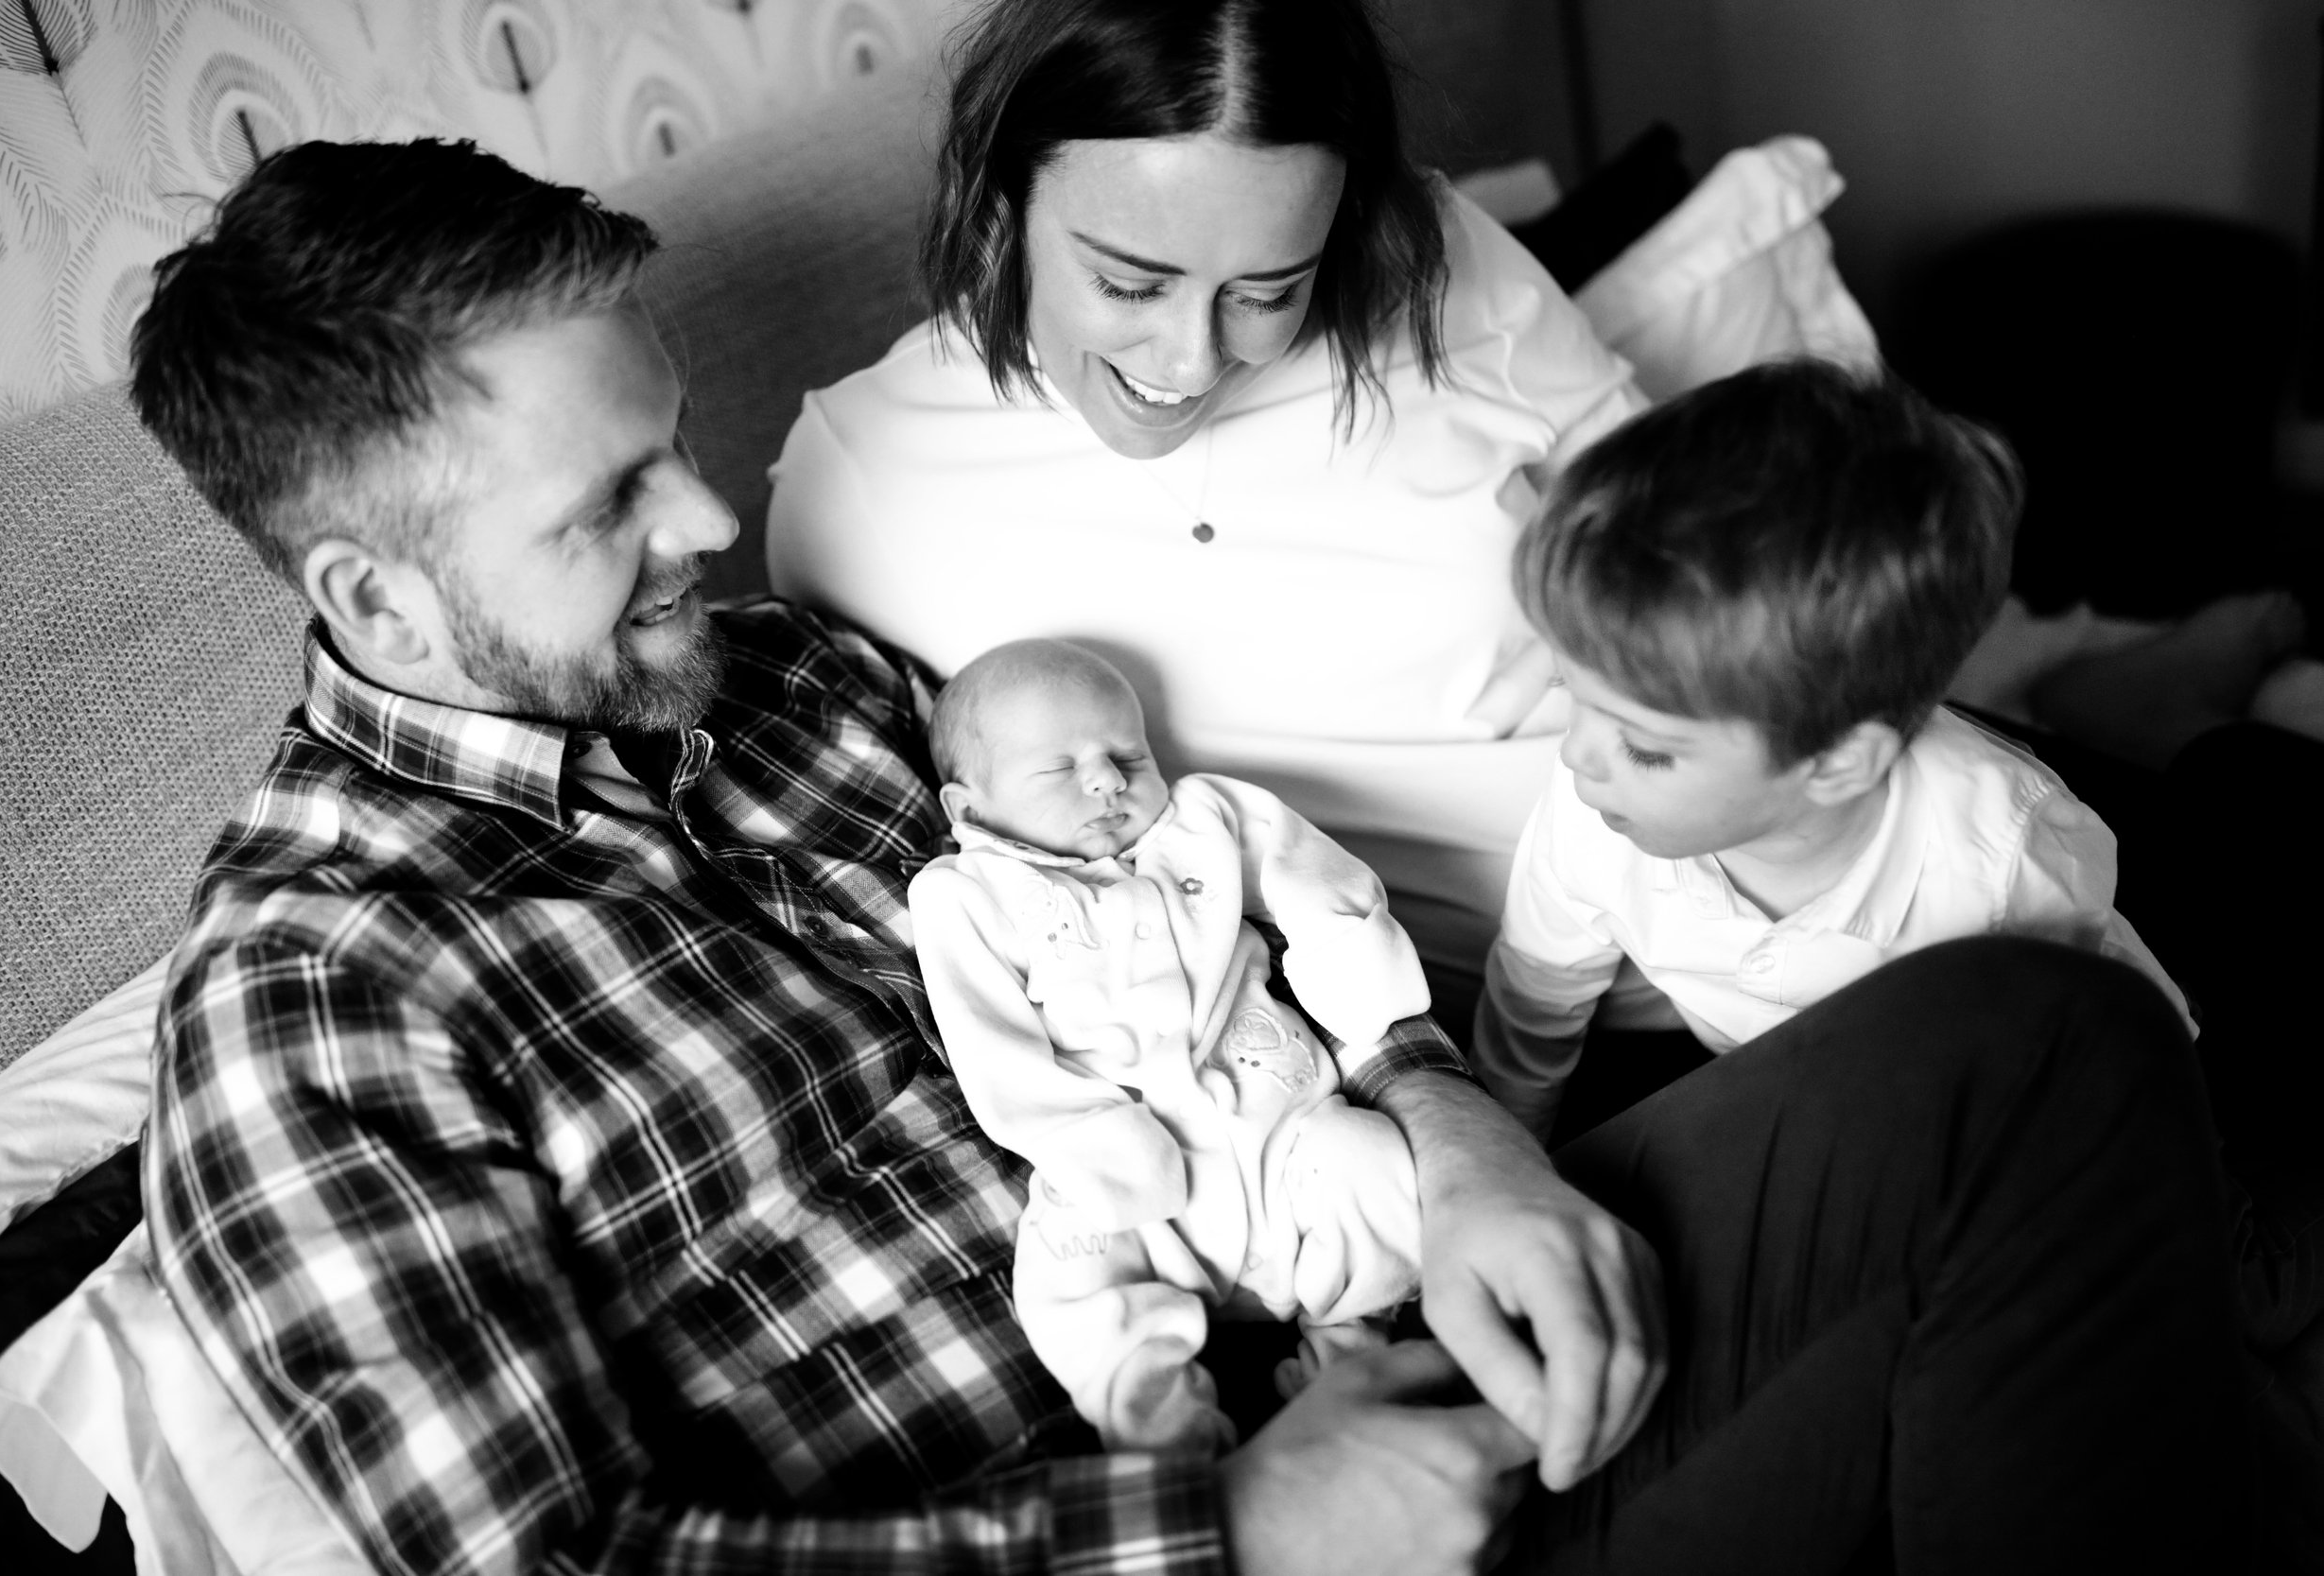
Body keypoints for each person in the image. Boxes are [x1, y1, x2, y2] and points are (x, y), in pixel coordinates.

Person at [126, 136, 2256, 1576]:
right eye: (609, 504)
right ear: (379, 602)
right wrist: (1225, 1525)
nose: (706, 523)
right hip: (1211, 1518)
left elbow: (1229, 905)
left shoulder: (796, 690)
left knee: (2028, 1032)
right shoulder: (317, 1000)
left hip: (1383, 1323)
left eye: (676, 444)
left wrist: (1450, 1120)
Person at [765, 0, 1647, 1020]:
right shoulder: (861, 484)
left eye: (1270, 293)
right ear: (999, 204)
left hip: (1737, 903)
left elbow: (1685, 543)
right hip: (1435, 1049)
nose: (1192, 361)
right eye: (1129, 285)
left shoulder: (1438, 265)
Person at [1474, 361, 2188, 1139]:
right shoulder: (1597, 821)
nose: (1578, 756)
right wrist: (1513, 1163)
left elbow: (2113, 1053)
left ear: (1840, 764)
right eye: (1568, 692)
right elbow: (1535, 1005)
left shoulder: (2000, 868)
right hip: (1794, 1099)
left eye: (1644, 748)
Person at [911, 639, 1428, 1452]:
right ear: (968, 808)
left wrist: (1353, 963)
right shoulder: (966, 896)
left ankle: (1349, 1359)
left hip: (1281, 1136)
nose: (1109, 780)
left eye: (1128, 754)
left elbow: (1311, 870)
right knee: (1064, 1277)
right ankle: (1167, 1430)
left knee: (1375, 1163)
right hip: (1128, 1178)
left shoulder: (1204, 821)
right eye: (1062, 768)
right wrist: (1090, 1143)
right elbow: (993, 1048)